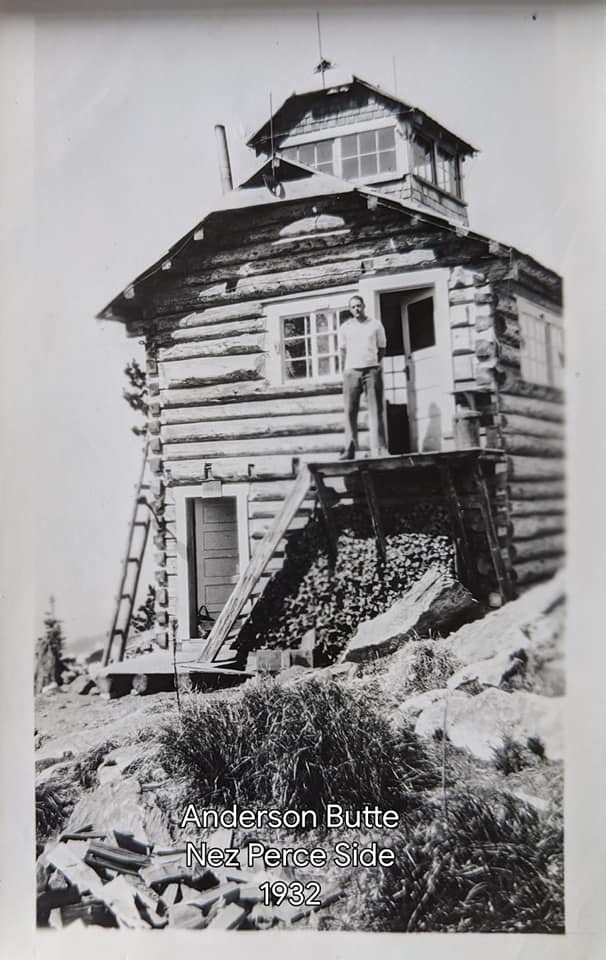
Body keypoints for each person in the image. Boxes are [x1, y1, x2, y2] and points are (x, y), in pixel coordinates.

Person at [338, 294, 388, 460]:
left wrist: (374, 363)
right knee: (350, 411)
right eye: (353, 307)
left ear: (364, 306)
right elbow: (343, 351)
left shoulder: (375, 325)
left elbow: (382, 348)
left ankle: (380, 448)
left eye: (359, 305)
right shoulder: (345, 327)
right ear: (350, 310)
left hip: (371, 371)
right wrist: (346, 370)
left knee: (376, 410)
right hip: (352, 372)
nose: (356, 309)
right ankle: (350, 448)